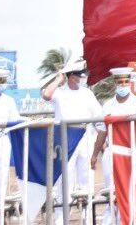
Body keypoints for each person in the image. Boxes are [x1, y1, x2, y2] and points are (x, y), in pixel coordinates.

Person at [91, 68, 136, 225]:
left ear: (130, 83)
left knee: (134, 191)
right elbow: (102, 133)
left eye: (126, 82)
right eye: (120, 82)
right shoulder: (108, 105)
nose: (123, 85)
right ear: (115, 84)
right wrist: (94, 154)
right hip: (113, 153)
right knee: (112, 192)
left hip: (134, 153)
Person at [42, 59, 102, 201]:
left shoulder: (87, 93)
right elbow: (46, 95)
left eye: (82, 75)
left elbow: (98, 117)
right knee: (65, 179)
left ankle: (86, 218)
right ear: (70, 75)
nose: (81, 78)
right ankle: (61, 219)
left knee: (86, 179)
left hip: (85, 136)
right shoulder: (60, 92)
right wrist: (58, 79)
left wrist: (101, 140)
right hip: (65, 137)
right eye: (78, 75)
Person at [0, 67, 21, 215]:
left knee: (0, 178)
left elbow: (15, 122)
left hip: (1, 140)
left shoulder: (9, 101)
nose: (1, 86)